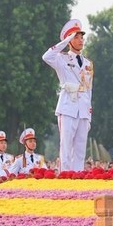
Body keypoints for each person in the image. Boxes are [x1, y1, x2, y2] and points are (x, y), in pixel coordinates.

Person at [42, 18, 94, 172]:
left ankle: (78, 176)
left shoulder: (88, 63)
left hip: (83, 109)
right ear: (69, 40)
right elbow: (46, 57)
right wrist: (65, 42)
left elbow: (89, 90)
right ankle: (65, 175)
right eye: (76, 37)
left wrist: (89, 114)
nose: (80, 40)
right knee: (66, 146)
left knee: (80, 148)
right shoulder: (62, 58)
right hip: (68, 107)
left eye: (81, 37)